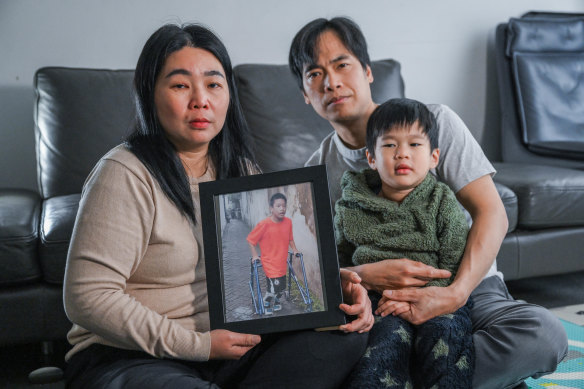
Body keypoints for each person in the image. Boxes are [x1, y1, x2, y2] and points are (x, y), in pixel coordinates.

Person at [63, 23, 372, 389]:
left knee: (346, 335)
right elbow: (87, 298)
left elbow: (264, 259)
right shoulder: (124, 172)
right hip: (131, 355)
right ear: (150, 94)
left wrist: (326, 294)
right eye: (180, 85)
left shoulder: (239, 169)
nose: (200, 100)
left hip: (227, 347)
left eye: (213, 84)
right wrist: (198, 345)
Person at [288, 16, 567, 389]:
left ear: (368, 71)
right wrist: (366, 275)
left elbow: (492, 213)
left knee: (544, 334)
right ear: (306, 95)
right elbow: (315, 269)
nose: (332, 82)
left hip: (470, 289)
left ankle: (399, 378)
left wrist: (454, 294)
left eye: (342, 65)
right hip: (380, 306)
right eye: (315, 74)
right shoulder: (314, 174)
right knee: (312, 357)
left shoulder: (434, 124)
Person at [335, 98, 473, 388]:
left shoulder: (442, 201)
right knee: (380, 350)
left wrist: (425, 297)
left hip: (438, 298)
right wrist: (365, 289)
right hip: (378, 302)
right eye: (389, 145)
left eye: (414, 144)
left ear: (434, 156)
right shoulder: (351, 205)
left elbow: (454, 263)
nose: (402, 154)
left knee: (446, 339)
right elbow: (340, 261)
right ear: (371, 157)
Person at [247, 192, 299, 314]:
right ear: (271, 208)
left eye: (284, 206)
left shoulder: (288, 222)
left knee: (281, 288)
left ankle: (276, 302)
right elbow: (250, 240)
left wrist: (295, 249)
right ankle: (266, 301)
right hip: (269, 263)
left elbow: (290, 239)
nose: (282, 208)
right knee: (272, 288)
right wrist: (255, 256)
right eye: (278, 206)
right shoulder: (264, 224)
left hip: (282, 262)